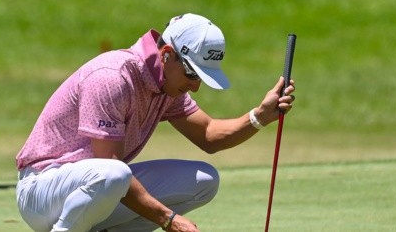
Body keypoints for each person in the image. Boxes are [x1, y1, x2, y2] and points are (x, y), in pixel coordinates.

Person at [15, 13, 296, 231]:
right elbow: (110, 165)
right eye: (192, 74)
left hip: (95, 189)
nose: (195, 86)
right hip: (42, 192)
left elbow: (209, 135)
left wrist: (259, 116)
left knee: (204, 181)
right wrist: (168, 219)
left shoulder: (166, 86)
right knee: (116, 174)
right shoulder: (112, 76)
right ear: (166, 55)